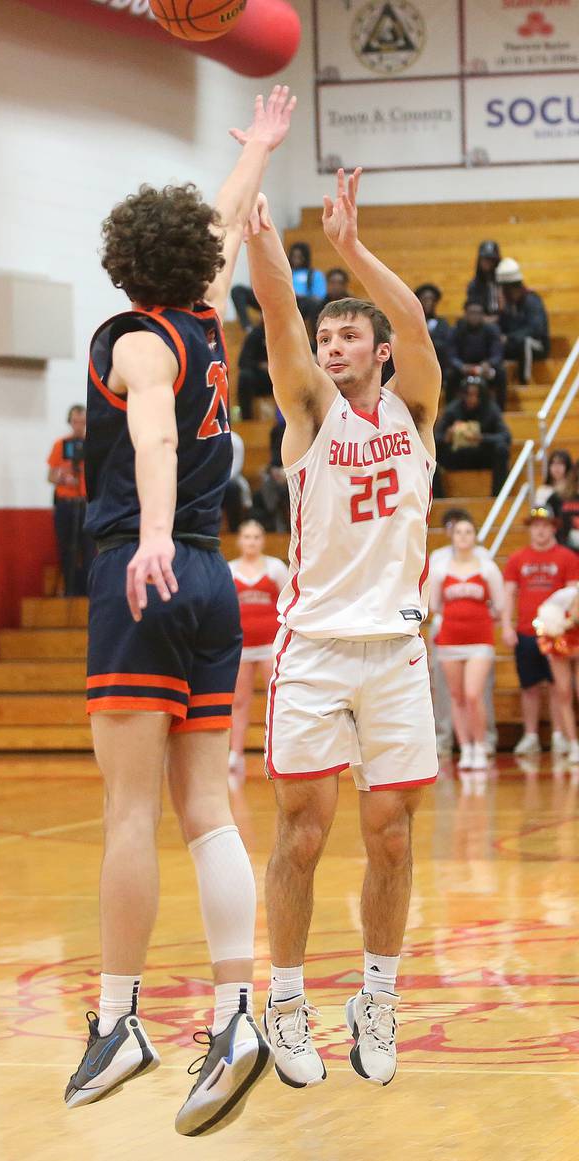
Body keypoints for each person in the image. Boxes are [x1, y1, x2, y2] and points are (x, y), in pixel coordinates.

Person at [65, 86, 296, 1136]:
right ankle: (235, 1013)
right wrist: (253, 152)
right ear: (196, 262)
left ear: (122, 267)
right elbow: (218, 219)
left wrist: (150, 531)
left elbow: (151, 434)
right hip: (211, 583)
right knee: (207, 809)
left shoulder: (137, 338)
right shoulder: (206, 315)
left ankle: (118, 1022)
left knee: (126, 813)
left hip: (146, 570)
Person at [242, 168, 440, 1089]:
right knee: (303, 836)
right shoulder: (310, 410)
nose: (333, 342)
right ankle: (285, 1000)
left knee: (392, 836)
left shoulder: (417, 407)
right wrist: (263, 242)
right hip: (316, 648)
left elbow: (419, 329)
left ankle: (378, 997)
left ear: (379, 352)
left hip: (396, 647)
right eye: (329, 333)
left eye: (349, 332)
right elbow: (281, 321)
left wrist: (355, 248)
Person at [429, 516, 504, 775]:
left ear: (475, 536)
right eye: (458, 532)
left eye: (468, 531)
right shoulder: (440, 569)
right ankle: (466, 748)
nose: (463, 536)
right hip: (450, 639)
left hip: (480, 639)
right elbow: (434, 605)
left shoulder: (487, 568)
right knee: (456, 697)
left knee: (473, 694)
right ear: (452, 536)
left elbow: (500, 604)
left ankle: (480, 745)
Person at [502, 507, 579, 759]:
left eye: (545, 525)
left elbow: (572, 597)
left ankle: (560, 735)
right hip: (526, 631)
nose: (541, 529)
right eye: (536, 525)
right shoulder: (517, 558)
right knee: (529, 687)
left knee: (560, 687)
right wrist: (505, 625)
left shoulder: (567, 557)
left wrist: (564, 626)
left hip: (558, 634)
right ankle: (531, 735)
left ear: (553, 527)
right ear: (530, 529)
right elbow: (509, 593)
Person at [227, 520, 289, 787]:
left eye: (256, 536)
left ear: (262, 540)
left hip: (270, 644)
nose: (251, 541)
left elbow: (288, 601)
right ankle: (235, 754)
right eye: (247, 536)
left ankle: (279, 753)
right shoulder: (229, 570)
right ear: (239, 541)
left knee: (276, 699)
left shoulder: (275, 567)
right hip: (241, 646)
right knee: (239, 701)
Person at [434, 378, 511, 497]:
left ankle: (498, 496)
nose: (471, 399)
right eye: (468, 394)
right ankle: (439, 498)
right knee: (432, 454)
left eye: (476, 395)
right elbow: (435, 438)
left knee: (501, 449)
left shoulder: (491, 409)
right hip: (458, 456)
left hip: (482, 456)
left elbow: (506, 436)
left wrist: (481, 438)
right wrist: (446, 437)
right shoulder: (452, 409)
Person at [47, 404, 94, 596]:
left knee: (89, 550)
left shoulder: (93, 444)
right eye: (75, 422)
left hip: (86, 503)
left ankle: (88, 590)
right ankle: (70, 590)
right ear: (70, 422)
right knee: (67, 548)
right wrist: (63, 478)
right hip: (65, 503)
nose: (79, 426)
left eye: (83, 422)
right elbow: (50, 476)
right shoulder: (61, 445)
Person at [231, 241, 325, 331]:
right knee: (237, 290)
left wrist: (296, 295)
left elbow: (318, 298)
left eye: (299, 257)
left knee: (313, 303)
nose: (296, 259)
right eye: (293, 256)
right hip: (275, 300)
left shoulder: (314, 274)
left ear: (306, 258)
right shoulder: (282, 272)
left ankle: (316, 337)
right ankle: (248, 327)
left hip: (297, 304)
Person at [533, 583, 579, 766]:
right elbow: (544, 617)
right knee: (564, 691)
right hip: (559, 642)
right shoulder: (564, 596)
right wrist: (557, 628)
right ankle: (573, 744)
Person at [496, 257, 550, 385]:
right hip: (515, 343)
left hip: (537, 344)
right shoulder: (508, 305)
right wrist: (502, 312)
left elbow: (535, 329)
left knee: (525, 342)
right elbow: (505, 328)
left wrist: (509, 338)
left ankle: (524, 380)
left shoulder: (532, 301)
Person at [446, 299, 507, 409]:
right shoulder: (456, 330)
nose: (474, 316)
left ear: (483, 315)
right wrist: (461, 366)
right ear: (465, 314)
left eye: (478, 313)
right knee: (450, 375)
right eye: (471, 313)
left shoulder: (492, 330)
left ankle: (500, 409)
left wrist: (489, 363)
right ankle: (449, 410)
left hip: (485, 367)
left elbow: (497, 353)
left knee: (501, 373)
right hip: (463, 367)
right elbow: (451, 354)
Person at [415, 283, 452, 384]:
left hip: (438, 364)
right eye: (425, 299)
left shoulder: (442, 323)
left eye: (431, 299)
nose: (428, 302)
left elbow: (447, 345)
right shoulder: (412, 322)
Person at [236, 317, 273, 419]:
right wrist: (261, 365)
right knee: (244, 377)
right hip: (260, 377)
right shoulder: (255, 335)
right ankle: (246, 418)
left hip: (281, 377)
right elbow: (242, 362)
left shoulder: (286, 334)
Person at [223, 429, 252, 531]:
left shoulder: (235, 439)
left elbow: (236, 467)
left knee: (232, 488)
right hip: (208, 481)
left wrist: (218, 481)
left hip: (231, 479)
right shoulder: (206, 437)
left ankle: (235, 528)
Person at [466, 240, 502, 320]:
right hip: (482, 324)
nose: (488, 262)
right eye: (485, 259)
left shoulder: (505, 282)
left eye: (491, 259)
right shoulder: (474, 285)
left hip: (505, 322)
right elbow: (471, 309)